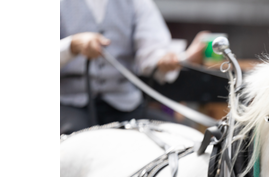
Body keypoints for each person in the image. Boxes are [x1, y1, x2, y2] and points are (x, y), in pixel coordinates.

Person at [60, 0, 207, 134]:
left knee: (178, 137)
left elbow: (152, 51)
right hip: (69, 103)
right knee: (73, 140)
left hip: (124, 104)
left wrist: (172, 59)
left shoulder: (137, 3)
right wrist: (71, 46)